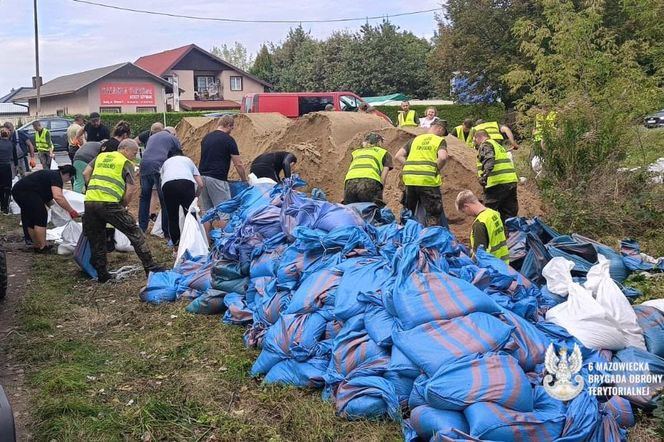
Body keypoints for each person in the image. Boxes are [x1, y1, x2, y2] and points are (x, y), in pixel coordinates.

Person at [83, 139, 165, 282]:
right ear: (125, 149)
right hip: (110, 203)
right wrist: (123, 204)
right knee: (134, 232)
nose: (134, 156)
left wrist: (93, 188)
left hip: (90, 201)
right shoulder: (126, 163)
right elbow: (130, 189)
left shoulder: (101, 156)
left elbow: (86, 173)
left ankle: (102, 274)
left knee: (97, 238)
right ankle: (150, 267)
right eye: (134, 153)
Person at [11, 165, 79, 252]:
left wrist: (57, 210)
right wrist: (71, 211)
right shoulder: (56, 177)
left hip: (19, 191)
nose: (67, 181)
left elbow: (48, 198)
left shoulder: (51, 174)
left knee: (32, 219)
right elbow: (58, 196)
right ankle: (43, 246)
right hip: (27, 193)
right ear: (68, 174)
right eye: (69, 179)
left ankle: (37, 244)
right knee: (41, 217)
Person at [395, 120, 449, 227]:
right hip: (427, 181)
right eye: (444, 133)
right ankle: (430, 237)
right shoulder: (439, 140)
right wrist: (436, 168)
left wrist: (409, 166)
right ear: (440, 129)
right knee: (432, 213)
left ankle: (405, 234)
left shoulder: (415, 140)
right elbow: (443, 157)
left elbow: (398, 156)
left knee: (408, 211)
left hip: (410, 179)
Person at [198, 115, 247, 223]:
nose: (231, 131)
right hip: (217, 178)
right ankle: (225, 239)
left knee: (207, 214)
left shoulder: (206, 138)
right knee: (224, 212)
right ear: (229, 125)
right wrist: (244, 180)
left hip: (202, 178)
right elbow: (238, 164)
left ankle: (207, 240)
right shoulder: (228, 140)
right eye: (232, 128)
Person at [138, 127, 181, 235]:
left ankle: (142, 228)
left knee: (144, 197)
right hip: (159, 167)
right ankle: (166, 230)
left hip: (144, 166)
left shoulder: (152, 137)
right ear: (173, 133)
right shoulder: (172, 138)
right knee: (164, 199)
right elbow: (179, 156)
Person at [474, 129, 519, 223]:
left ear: (479, 138)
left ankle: (490, 235)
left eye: (475, 140)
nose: (475, 143)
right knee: (509, 214)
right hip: (510, 182)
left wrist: (484, 177)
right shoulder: (498, 146)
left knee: (489, 214)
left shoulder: (486, 145)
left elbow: (489, 159)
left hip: (496, 184)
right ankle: (511, 235)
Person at [160, 153, 204, 247]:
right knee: (190, 215)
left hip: (168, 186)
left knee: (172, 216)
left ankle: (175, 243)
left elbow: (162, 180)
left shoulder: (166, 163)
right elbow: (200, 184)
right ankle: (193, 242)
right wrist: (195, 198)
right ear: (183, 155)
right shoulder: (188, 160)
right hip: (186, 184)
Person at [455, 190, 509, 263]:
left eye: (464, 211)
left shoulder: (479, 223)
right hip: (503, 263)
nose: (467, 215)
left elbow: (479, 255)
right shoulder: (494, 213)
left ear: (466, 206)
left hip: (491, 268)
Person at [343, 133, 393, 206]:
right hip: (369, 182)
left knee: (351, 212)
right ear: (379, 142)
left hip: (350, 182)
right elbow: (383, 177)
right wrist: (379, 196)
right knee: (371, 211)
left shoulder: (356, 153)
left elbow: (351, 170)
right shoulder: (384, 153)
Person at [0, 128, 18, 214]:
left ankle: (1, 205)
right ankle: (6, 207)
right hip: (7, 166)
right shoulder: (12, 144)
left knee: (0, 187)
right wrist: (16, 166)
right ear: (8, 135)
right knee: (7, 187)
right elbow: (15, 157)